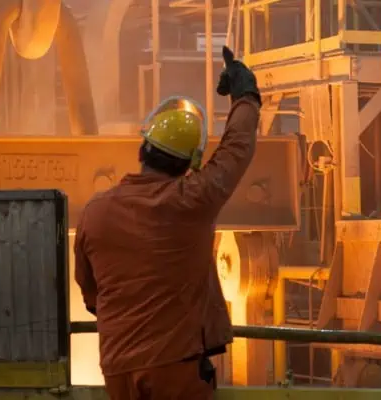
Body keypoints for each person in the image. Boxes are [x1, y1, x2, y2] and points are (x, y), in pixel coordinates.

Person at [73, 46, 261, 400]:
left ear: (143, 148)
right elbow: (236, 148)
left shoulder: (94, 212)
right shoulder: (191, 201)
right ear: (188, 164)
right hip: (175, 367)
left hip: (116, 369)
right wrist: (246, 95)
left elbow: (90, 291)